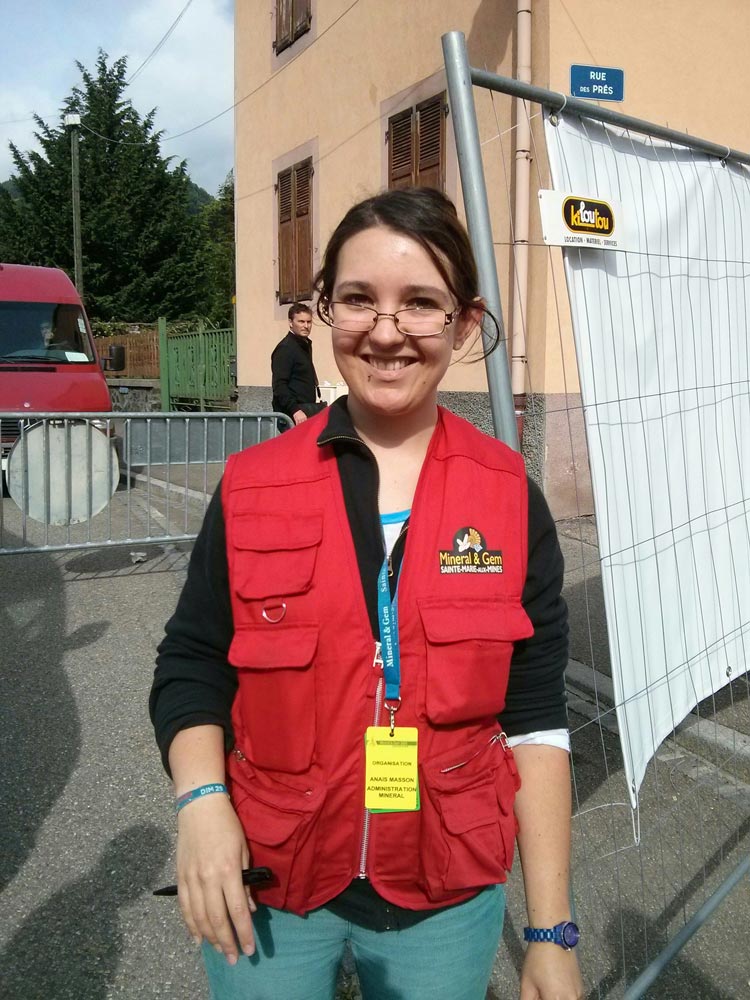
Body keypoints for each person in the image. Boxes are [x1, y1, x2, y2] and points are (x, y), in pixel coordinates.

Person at [150, 187, 584, 1000]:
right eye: (358, 299)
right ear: (324, 310)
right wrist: (202, 802)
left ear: (463, 323)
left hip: (443, 900)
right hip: (271, 882)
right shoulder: (251, 484)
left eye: (419, 302)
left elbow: (534, 718)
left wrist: (550, 932)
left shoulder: (508, 498)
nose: (386, 332)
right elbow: (193, 662)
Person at [270, 302, 325, 426]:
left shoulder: (304, 345)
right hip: (292, 415)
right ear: (291, 323)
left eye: (309, 322)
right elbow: (279, 385)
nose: (306, 326)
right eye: (301, 322)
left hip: (306, 411)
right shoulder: (286, 348)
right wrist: (295, 410)